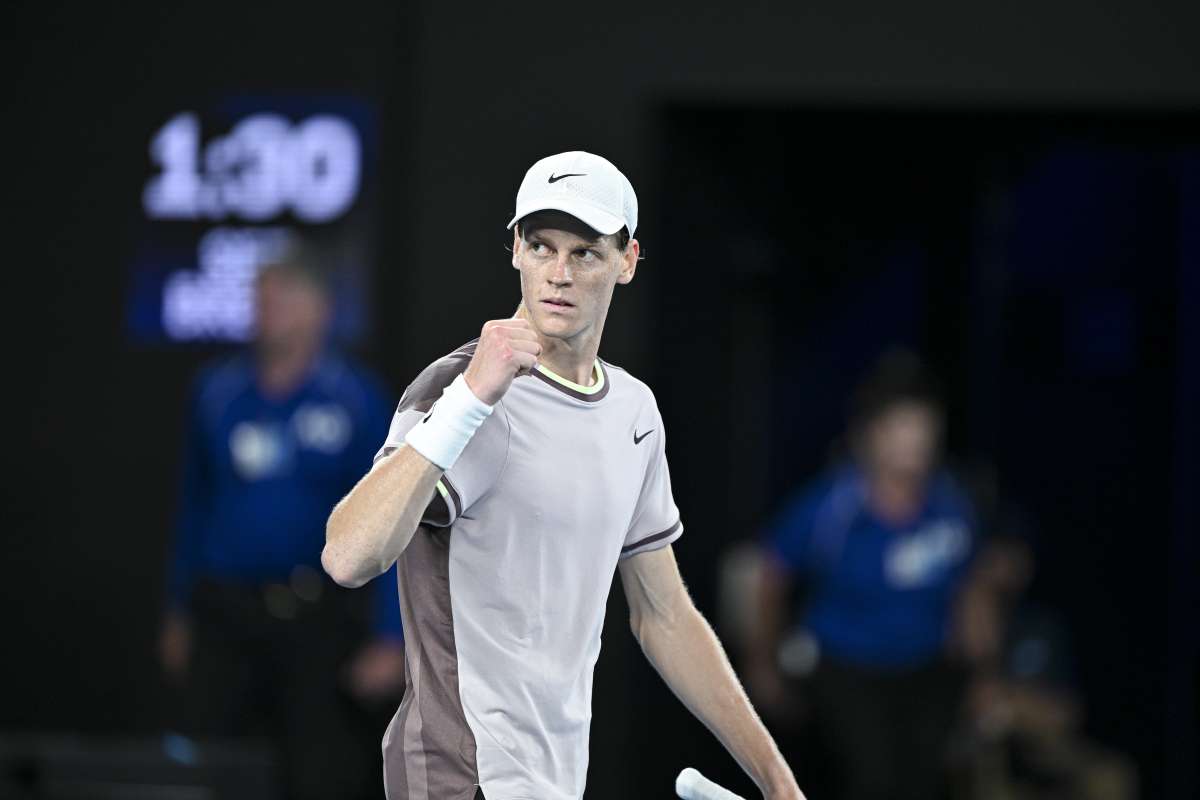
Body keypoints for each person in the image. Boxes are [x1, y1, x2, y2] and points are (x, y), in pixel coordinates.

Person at [323, 152, 805, 800]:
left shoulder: (633, 412)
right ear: (515, 251)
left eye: (585, 253)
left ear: (627, 261)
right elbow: (348, 555)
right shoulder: (460, 386)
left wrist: (778, 783)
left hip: (555, 780)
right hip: (459, 776)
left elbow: (664, 615)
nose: (559, 274)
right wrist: (470, 399)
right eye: (541, 246)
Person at [160, 246, 405, 800]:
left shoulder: (356, 399)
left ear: (321, 309)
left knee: (318, 773)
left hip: (316, 615)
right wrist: (178, 608)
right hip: (225, 612)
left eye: (287, 297)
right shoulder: (216, 393)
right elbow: (192, 505)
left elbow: (391, 522)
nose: (270, 310)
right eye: (263, 297)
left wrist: (391, 635)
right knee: (208, 767)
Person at [747, 353, 976, 800]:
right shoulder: (832, 507)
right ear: (871, 434)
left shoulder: (950, 504)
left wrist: (980, 668)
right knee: (871, 777)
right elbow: (769, 573)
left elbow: (971, 585)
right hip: (845, 665)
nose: (914, 442)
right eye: (901, 427)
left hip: (925, 667)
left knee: (927, 778)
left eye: (924, 428)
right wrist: (763, 660)